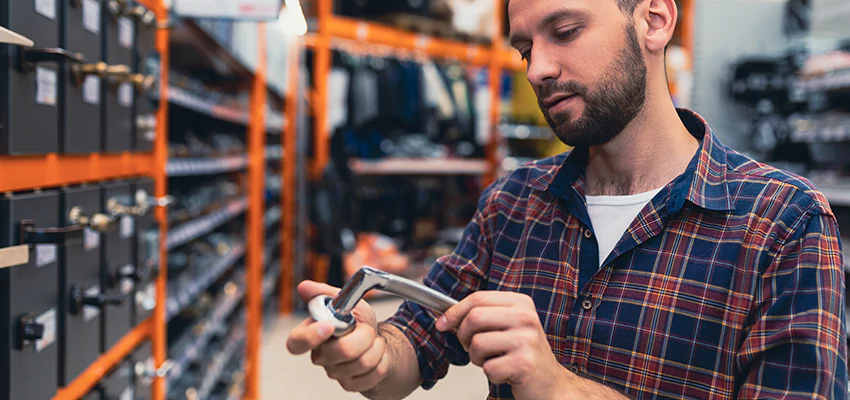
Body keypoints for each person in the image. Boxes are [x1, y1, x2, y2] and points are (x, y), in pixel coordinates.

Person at [287, 0, 848, 398]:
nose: (538, 69)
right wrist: (369, 352)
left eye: (566, 30)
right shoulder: (513, 202)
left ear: (654, 19)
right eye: (526, 47)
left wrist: (558, 388)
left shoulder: (785, 224)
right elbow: (409, 347)